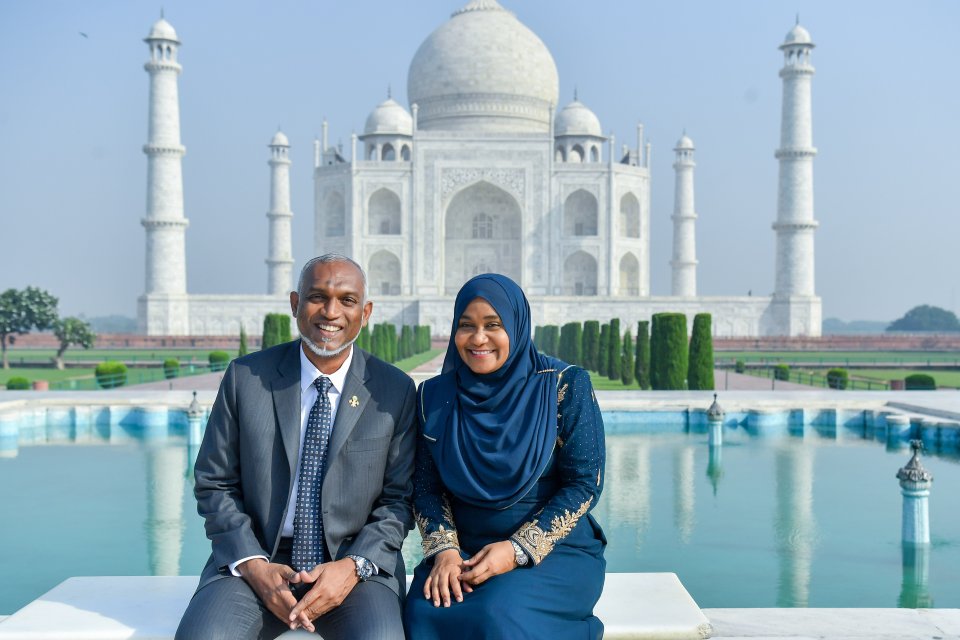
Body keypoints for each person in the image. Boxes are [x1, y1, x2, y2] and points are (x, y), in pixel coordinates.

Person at [176, 254, 416, 640]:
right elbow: (213, 482)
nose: (331, 312)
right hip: (258, 560)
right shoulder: (248, 379)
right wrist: (254, 565)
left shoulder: (392, 390)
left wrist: (353, 565)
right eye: (317, 297)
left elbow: (399, 500)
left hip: (352, 568)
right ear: (295, 304)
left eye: (347, 300)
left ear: (366, 312)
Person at [404, 273, 606, 639]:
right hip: (464, 550)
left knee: (498, 615)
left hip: (550, 551)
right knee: (422, 611)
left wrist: (516, 550)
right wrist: (446, 551)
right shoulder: (434, 396)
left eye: (493, 325)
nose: (478, 338)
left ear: (517, 325)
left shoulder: (562, 385)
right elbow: (426, 488)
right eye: (466, 326)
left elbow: (584, 485)